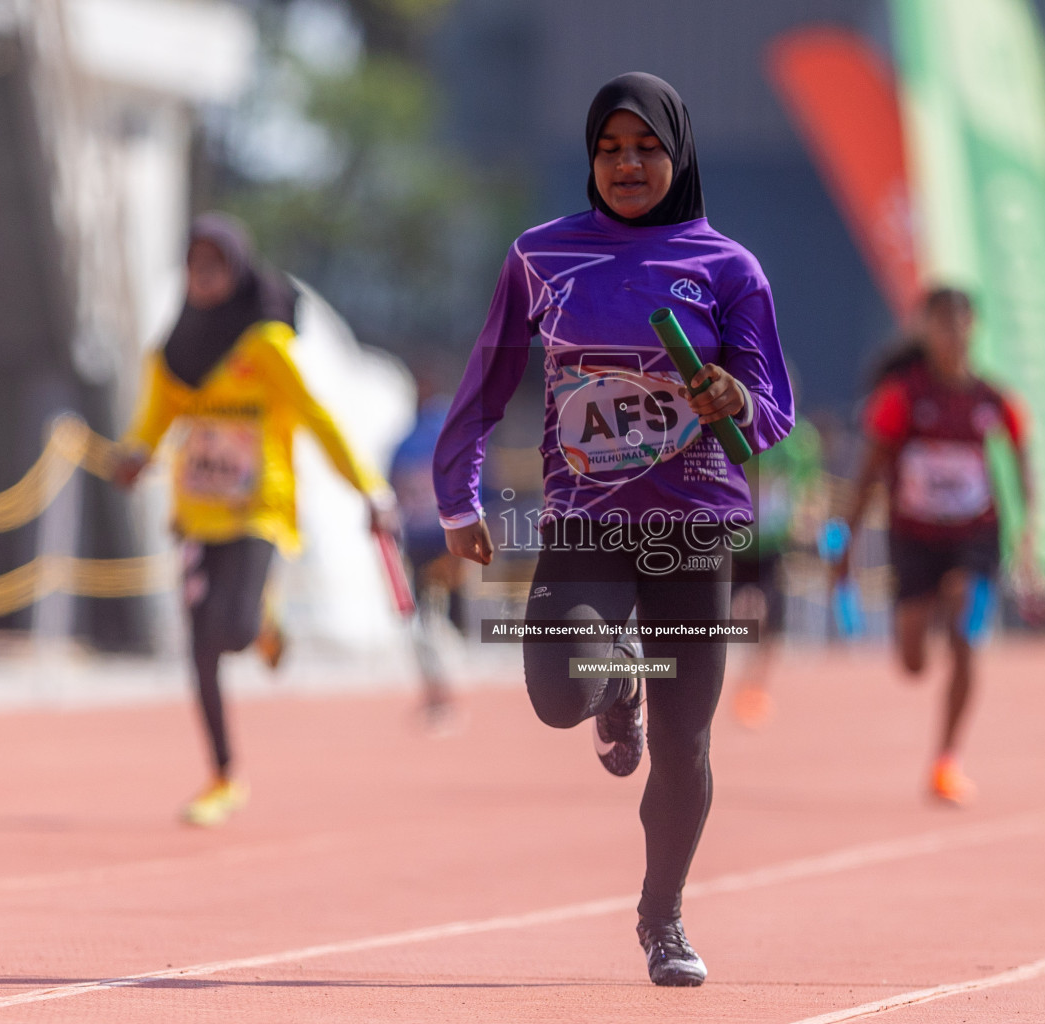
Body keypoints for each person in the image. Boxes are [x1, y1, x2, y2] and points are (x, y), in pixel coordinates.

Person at [433, 73, 793, 986]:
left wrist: (730, 395)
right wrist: (457, 498)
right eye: (609, 148)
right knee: (559, 694)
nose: (628, 164)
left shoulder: (730, 269)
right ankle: (616, 687)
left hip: (693, 527)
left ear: (677, 153)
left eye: (645, 147)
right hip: (587, 523)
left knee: (687, 747)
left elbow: (770, 412)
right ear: (592, 158)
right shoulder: (541, 257)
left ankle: (662, 916)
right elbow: (487, 379)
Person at [115, 213, 396, 827]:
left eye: (214, 267)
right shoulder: (173, 352)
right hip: (197, 517)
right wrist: (134, 455)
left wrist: (369, 490)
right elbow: (153, 419)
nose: (203, 278)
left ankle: (263, 626)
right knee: (199, 651)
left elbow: (319, 419)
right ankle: (222, 775)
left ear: (238, 271)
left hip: (259, 513)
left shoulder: (266, 346)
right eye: (194, 267)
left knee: (233, 629)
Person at [834, 286, 1029, 805]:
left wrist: (1029, 527)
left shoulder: (992, 399)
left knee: (965, 627)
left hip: (975, 536)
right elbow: (868, 473)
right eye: (943, 323)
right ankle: (938, 608)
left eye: (962, 322)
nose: (953, 333)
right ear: (927, 330)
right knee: (913, 661)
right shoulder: (903, 397)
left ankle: (946, 760)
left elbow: (1021, 454)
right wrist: (845, 544)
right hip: (914, 537)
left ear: (974, 329)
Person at [729, 414, 821, 728]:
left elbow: (809, 485)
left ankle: (755, 689)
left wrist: (808, 518)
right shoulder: (732, 430)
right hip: (729, 541)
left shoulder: (799, 443)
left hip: (770, 546)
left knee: (773, 620)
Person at [390, 380, 466, 731]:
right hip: (451, 539)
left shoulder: (404, 443)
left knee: (429, 621)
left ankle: (441, 695)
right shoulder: (455, 438)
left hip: (421, 543)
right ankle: (446, 694)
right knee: (446, 620)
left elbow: (391, 490)